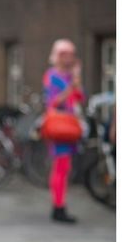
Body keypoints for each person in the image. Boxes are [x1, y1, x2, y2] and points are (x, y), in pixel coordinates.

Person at [42, 38, 85, 224]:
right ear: (58, 56)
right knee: (60, 167)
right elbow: (53, 102)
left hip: (70, 125)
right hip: (59, 125)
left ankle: (60, 205)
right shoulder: (51, 76)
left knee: (64, 167)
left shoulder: (70, 77)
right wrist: (71, 88)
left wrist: (77, 79)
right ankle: (58, 206)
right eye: (65, 54)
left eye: (71, 55)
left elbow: (80, 97)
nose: (69, 58)